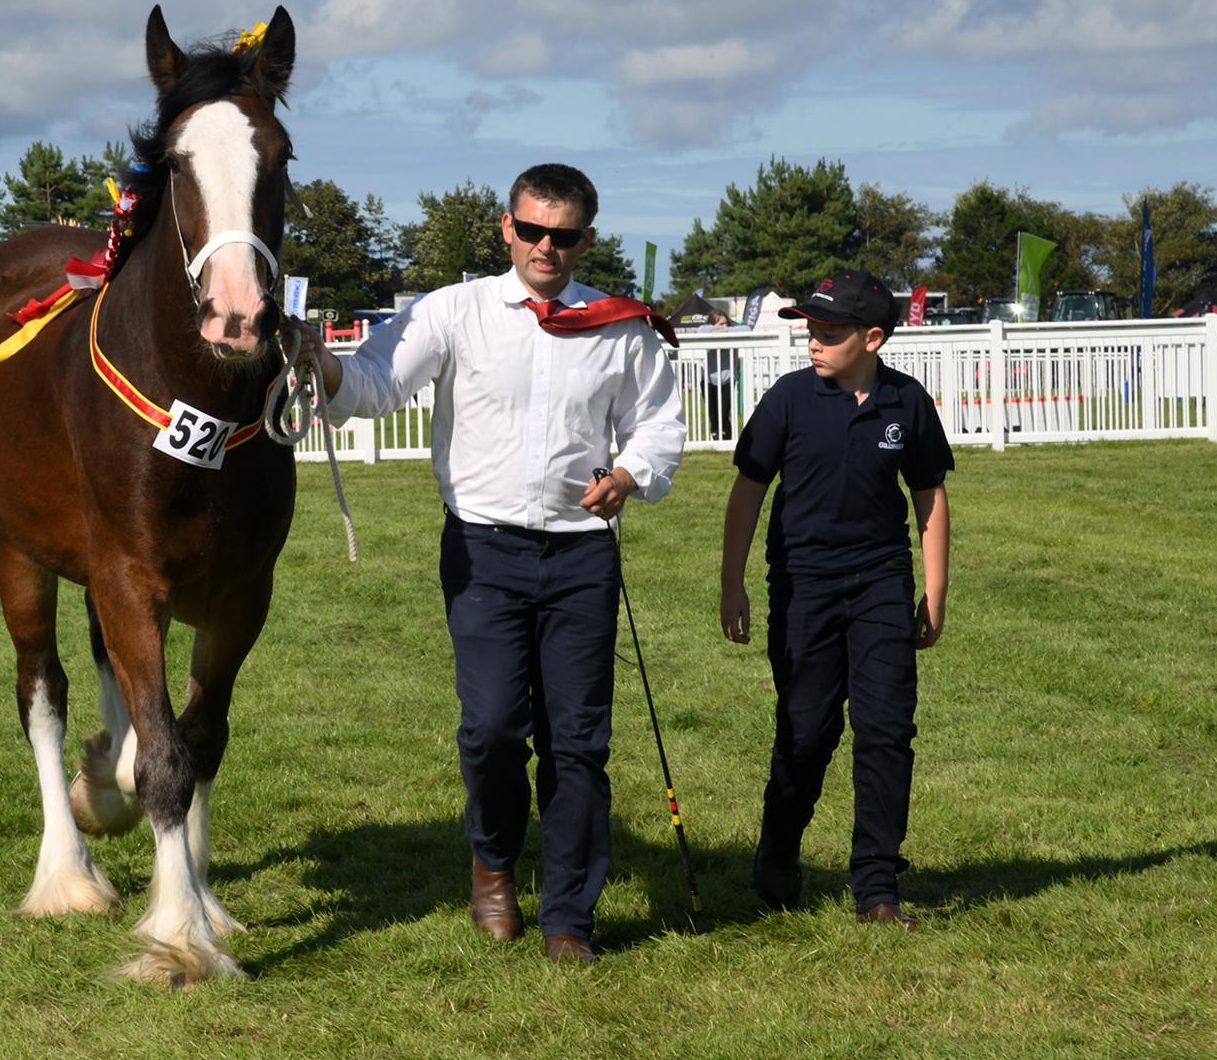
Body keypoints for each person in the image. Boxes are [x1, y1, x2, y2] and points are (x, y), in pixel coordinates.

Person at [302, 164, 687, 962]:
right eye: (534, 230)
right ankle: (494, 863)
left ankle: (570, 918)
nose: (548, 246)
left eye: (566, 234)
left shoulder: (622, 326)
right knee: (492, 729)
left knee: (578, 741)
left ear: (588, 235)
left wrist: (627, 475)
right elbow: (374, 384)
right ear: (506, 228)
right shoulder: (454, 312)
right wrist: (323, 362)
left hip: (583, 556)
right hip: (483, 551)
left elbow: (657, 425)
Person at [717, 269, 953, 929]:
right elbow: (747, 494)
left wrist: (934, 592)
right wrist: (731, 581)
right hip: (802, 589)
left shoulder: (907, 404)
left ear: (872, 337)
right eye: (808, 329)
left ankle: (877, 885)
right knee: (807, 732)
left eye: (828, 332)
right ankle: (780, 845)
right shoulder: (788, 400)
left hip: (880, 584)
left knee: (886, 730)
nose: (812, 341)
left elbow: (929, 496)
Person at [700, 307, 737, 441]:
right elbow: (700, 330)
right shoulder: (707, 331)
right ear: (712, 324)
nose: (724, 326)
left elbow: (746, 329)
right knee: (713, 416)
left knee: (724, 413)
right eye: (721, 323)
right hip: (709, 380)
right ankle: (715, 439)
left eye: (726, 323)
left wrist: (725, 329)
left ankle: (727, 440)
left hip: (727, 379)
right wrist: (713, 329)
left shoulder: (733, 333)